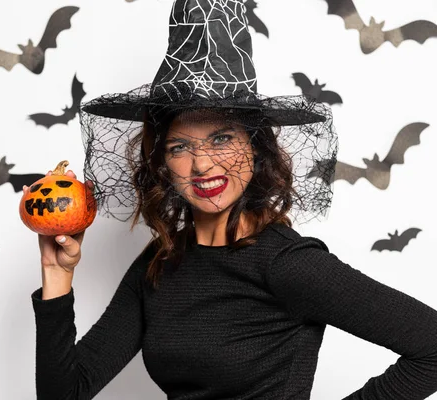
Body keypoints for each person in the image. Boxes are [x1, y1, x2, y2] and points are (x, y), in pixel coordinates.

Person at [26, 1, 437, 399]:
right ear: (162, 164)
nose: (202, 164)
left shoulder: (288, 263)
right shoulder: (162, 260)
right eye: (179, 147)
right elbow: (66, 394)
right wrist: (56, 273)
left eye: (222, 138)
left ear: (256, 148)